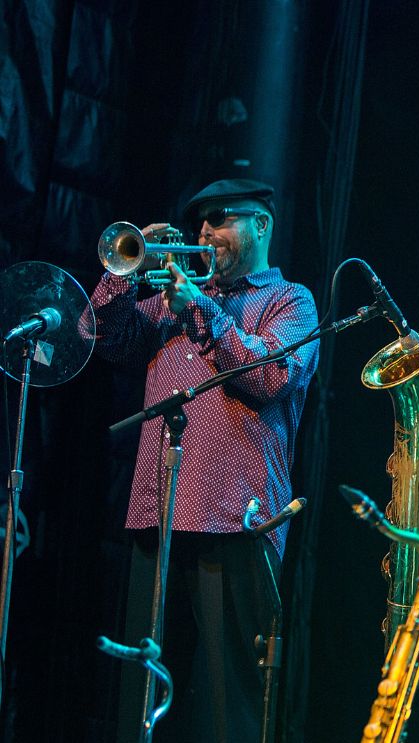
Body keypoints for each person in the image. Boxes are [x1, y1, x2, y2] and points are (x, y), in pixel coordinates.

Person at [91, 179, 319, 742]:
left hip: (233, 517)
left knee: (229, 705)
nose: (204, 234)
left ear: (260, 225)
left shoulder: (290, 300)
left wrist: (203, 312)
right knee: (141, 691)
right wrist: (121, 275)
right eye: (200, 224)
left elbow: (271, 375)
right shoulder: (171, 301)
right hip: (159, 513)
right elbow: (98, 338)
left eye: (220, 219)